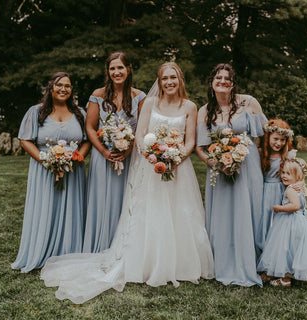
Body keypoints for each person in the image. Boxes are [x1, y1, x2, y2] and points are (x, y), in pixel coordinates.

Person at [40, 62, 214, 304]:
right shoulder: (150, 103)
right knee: (150, 214)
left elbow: (190, 141)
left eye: (173, 78)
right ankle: (147, 262)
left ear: (180, 79)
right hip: (151, 166)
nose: (169, 82)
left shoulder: (190, 106)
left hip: (178, 169)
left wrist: (175, 158)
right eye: (164, 79)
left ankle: (179, 264)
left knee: (179, 213)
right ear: (160, 81)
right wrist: (154, 155)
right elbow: (140, 135)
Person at [195, 63, 266, 286]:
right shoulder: (204, 111)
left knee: (250, 209)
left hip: (248, 166)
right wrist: (215, 163)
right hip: (219, 170)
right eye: (218, 78)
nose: (223, 81)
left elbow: (264, 136)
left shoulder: (250, 103)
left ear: (233, 83)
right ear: (211, 82)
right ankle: (222, 262)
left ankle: (253, 261)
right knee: (223, 214)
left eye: (227, 78)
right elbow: (200, 146)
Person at [12, 72, 90, 273]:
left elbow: (87, 140)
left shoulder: (80, 113)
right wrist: (46, 160)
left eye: (68, 86)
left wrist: (76, 158)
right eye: (59, 85)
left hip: (74, 172)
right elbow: (25, 140)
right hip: (44, 171)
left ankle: (70, 252)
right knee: (45, 209)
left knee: (72, 209)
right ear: (51, 88)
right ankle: (41, 253)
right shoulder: (36, 112)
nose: (64, 89)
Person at [83, 52, 145, 253]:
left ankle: (125, 250)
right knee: (102, 202)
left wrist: (128, 149)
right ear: (108, 71)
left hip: (130, 158)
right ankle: (100, 247)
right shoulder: (98, 95)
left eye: (120, 67)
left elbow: (143, 129)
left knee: (127, 200)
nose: (117, 72)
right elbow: (90, 127)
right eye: (112, 68)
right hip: (103, 158)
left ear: (129, 69)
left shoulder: (139, 97)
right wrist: (102, 151)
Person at [257, 157, 307, 287]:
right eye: (283, 172)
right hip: (302, 222)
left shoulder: (290, 190)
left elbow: (295, 206)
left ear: (298, 176)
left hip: (289, 222)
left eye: (288, 174)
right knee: (294, 249)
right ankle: (293, 273)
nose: (284, 176)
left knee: (284, 248)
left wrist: (279, 208)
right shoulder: (301, 188)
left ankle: (285, 279)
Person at [259, 118, 294, 251]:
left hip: (281, 191)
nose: (279, 143)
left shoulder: (288, 156)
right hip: (264, 190)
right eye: (275, 139)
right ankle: (262, 248)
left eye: (282, 140)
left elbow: (299, 171)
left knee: (279, 220)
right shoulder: (261, 154)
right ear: (268, 137)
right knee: (264, 219)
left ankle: (277, 249)